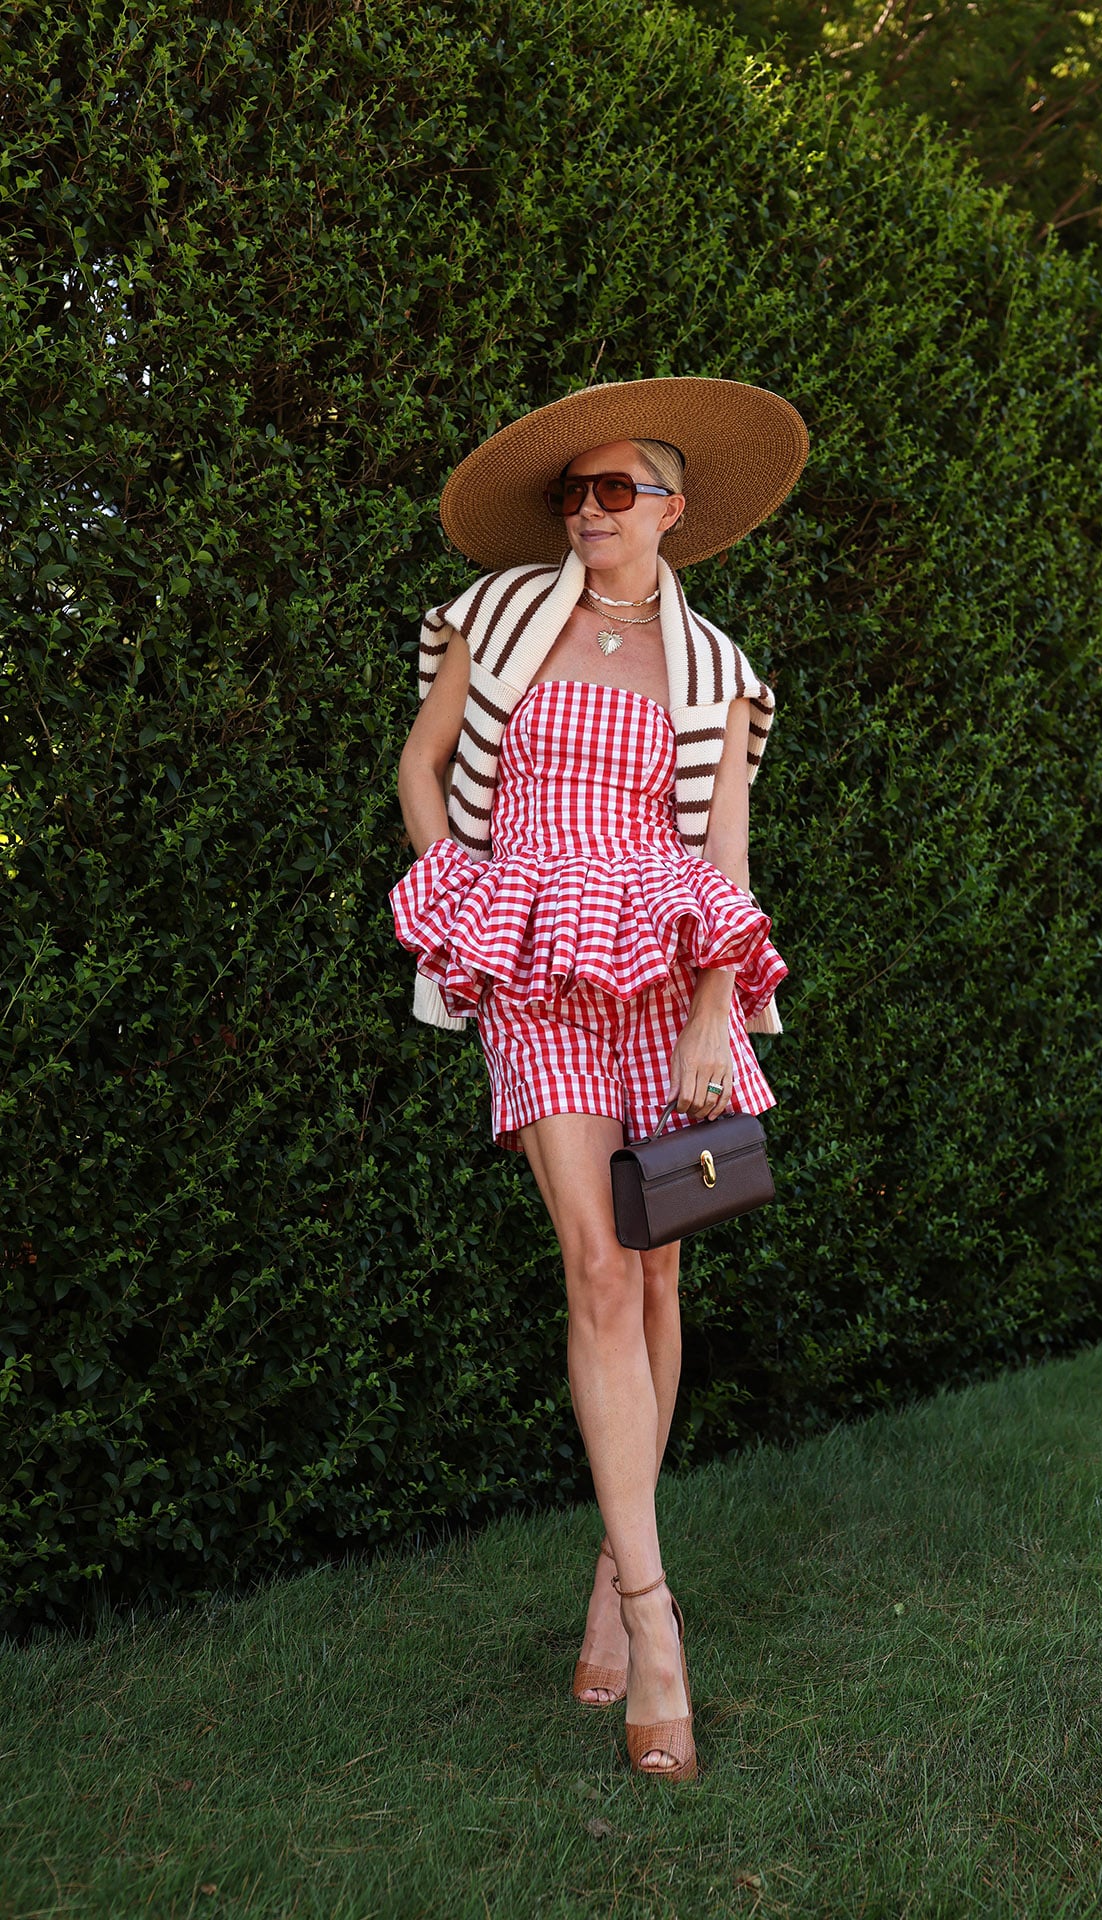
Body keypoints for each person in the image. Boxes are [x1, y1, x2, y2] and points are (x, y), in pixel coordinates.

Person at [390, 377, 808, 1783]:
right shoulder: (505, 615)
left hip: (667, 975)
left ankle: (608, 1571)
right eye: (575, 491)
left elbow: (724, 861)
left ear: (672, 510)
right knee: (595, 1266)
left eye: (616, 489)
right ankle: (654, 1617)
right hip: (534, 955)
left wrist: (715, 1016)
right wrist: (461, 891)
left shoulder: (716, 672)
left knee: (661, 1273)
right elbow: (424, 763)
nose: (588, 508)